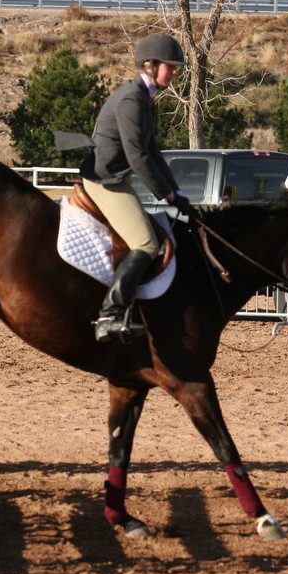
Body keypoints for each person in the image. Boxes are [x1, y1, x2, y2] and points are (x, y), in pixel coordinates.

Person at [79, 33, 194, 344]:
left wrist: (178, 193)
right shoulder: (132, 98)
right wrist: (167, 194)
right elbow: (138, 156)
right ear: (150, 65)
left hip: (117, 176)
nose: (175, 72)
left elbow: (153, 150)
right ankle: (110, 314)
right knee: (145, 243)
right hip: (105, 179)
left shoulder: (144, 96)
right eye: (170, 67)